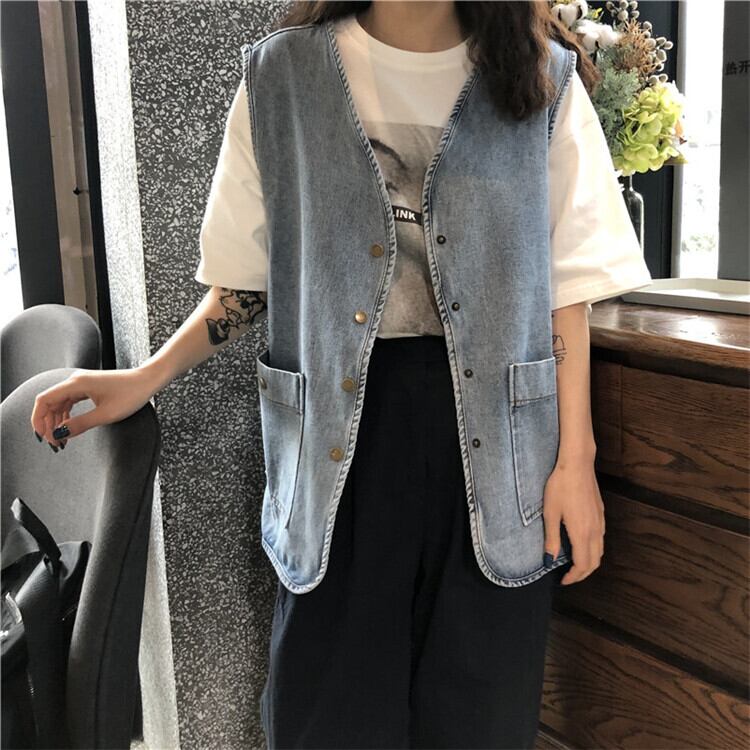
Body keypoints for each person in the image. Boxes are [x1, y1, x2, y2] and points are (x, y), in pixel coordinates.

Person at [30, 2, 653, 748]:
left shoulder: (542, 77)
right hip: (338, 452)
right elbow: (245, 281)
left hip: (500, 462)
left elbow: (567, 290)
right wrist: (147, 376)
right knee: (327, 718)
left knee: (482, 719)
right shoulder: (281, 76)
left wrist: (575, 461)